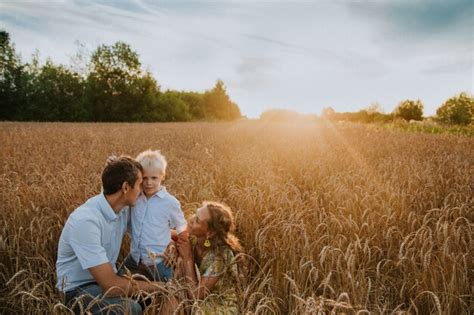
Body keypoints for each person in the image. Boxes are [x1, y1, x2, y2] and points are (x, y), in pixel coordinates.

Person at [56, 156, 162, 315]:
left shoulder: (122, 208)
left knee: (154, 292)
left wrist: (182, 239)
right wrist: (160, 286)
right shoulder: (86, 221)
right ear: (126, 187)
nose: (142, 191)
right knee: (129, 309)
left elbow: (151, 232)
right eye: (140, 184)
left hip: (107, 279)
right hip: (77, 291)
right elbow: (110, 285)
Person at [123, 150, 188, 282]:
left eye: (154, 178)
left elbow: (182, 226)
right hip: (135, 258)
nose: (148, 183)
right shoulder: (135, 198)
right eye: (145, 178)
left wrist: (176, 247)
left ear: (162, 176)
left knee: (166, 291)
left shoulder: (170, 202)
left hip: (159, 261)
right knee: (118, 283)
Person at [169, 201, 243, 314]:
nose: (191, 219)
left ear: (210, 233)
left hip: (218, 304)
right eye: (195, 213)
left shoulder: (221, 256)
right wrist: (171, 244)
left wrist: (188, 258)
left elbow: (196, 296)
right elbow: (165, 233)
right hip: (195, 293)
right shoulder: (194, 238)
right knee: (170, 298)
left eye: (197, 220)